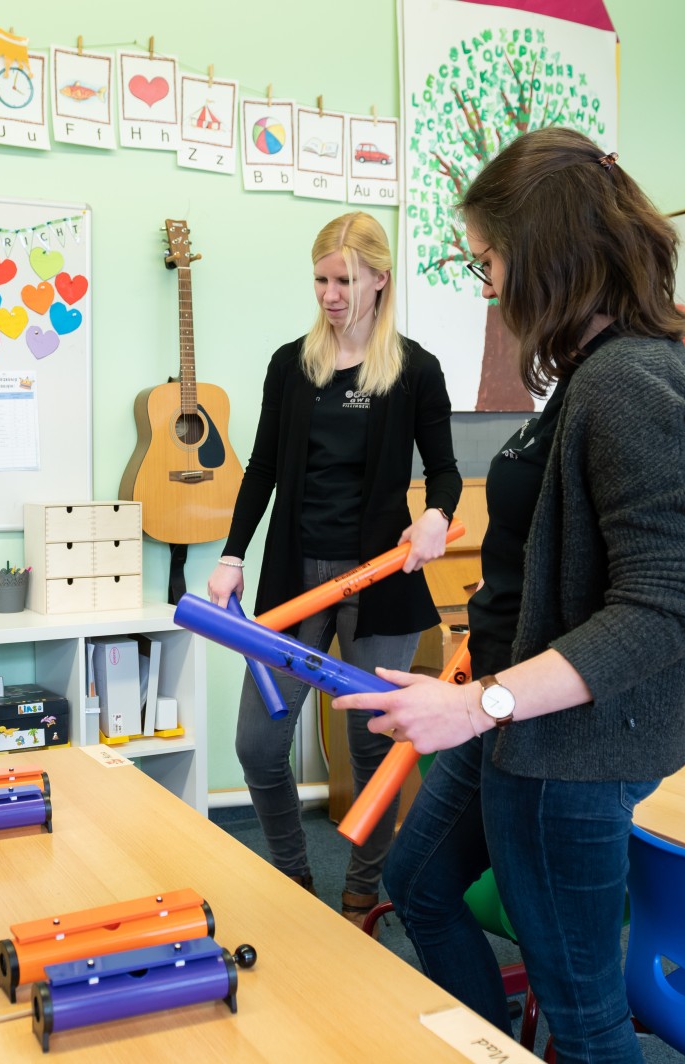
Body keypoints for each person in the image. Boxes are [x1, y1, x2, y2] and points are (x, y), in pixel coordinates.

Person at [335, 128, 685, 1063]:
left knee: (581, 1011)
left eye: (491, 261)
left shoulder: (629, 380)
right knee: (419, 884)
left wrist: (479, 704)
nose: (488, 286)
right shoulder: (592, 370)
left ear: (545, 251)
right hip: (512, 719)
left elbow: (669, 603)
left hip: (566, 750)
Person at [207, 211, 461, 927]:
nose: (330, 294)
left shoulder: (414, 370)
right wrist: (232, 554)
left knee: (370, 749)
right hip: (297, 577)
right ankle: (293, 876)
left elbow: (443, 471)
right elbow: (261, 467)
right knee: (258, 744)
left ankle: (360, 894)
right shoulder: (292, 365)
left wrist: (435, 516)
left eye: (344, 280)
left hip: (380, 580)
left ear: (380, 279)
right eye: (320, 279)